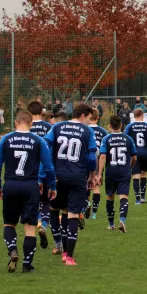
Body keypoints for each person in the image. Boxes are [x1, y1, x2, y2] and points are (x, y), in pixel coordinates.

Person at [0, 111, 57, 273]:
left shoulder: (6, 139)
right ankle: (27, 265)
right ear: (31, 124)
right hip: (31, 185)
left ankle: (13, 250)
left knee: (9, 223)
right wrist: (52, 187)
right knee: (29, 227)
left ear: (16, 122)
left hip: (11, 184)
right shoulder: (38, 141)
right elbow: (49, 167)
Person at [44, 104, 97, 266]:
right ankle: (68, 256)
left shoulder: (58, 126)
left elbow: (46, 145)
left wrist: (48, 169)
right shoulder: (88, 132)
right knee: (72, 213)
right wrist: (92, 175)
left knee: (54, 209)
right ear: (83, 116)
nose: (89, 122)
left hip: (58, 177)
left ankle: (59, 243)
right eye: (89, 118)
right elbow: (92, 158)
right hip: (77, 177)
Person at [98, 115, 137, 233]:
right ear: (121, 125)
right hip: (124, 171)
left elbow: (103, 155)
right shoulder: (128, 139)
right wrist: (129, 167)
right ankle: (122, 221)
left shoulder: (106, 139)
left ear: (109, 126)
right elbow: (134, 157)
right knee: (124, 196)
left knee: (110, 196)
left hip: (111, 172)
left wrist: (99, 173)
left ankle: (111, 224)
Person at [28, 101, 53, 247]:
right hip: (46, 168)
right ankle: (44, 223)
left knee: (33, 198)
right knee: (47, 200)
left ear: (30, 112)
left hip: (31, 170)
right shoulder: (49, 127)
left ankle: (36, 220)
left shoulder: (27, 128)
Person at [125, 109, 147, 204]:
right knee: (144, 174)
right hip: (145, 153)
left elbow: (125, 140)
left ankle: (137, 199)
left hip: (134, 154)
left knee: (135, 176)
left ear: (134, 116)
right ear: (142, 115)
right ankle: (143, 197)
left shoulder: (129, 126)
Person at [85, 108, 108, 219]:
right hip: (98, 161)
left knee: (85, 185)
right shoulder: (103, 132)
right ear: (98, 117)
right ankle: (94, 213)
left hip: (86, 160)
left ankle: (86, 205)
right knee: (96, 186)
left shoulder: (84, 129)